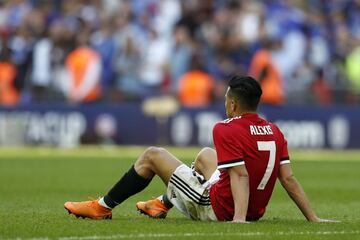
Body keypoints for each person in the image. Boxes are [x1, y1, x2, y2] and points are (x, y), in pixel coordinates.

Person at [64, 75, 334, 223]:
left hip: (217, 207)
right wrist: (313, 218)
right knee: (207, 155)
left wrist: (237, 220)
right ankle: (162, 203)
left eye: (227, 99)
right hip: (253, 211)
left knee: (152, 155)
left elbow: (240, 175)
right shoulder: (274, 130)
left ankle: (102, 207)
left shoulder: (225, 127)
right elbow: (288, 179)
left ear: (233, 104)